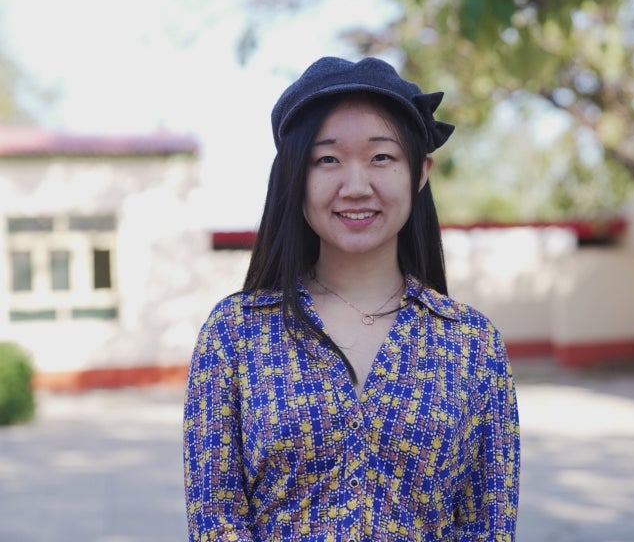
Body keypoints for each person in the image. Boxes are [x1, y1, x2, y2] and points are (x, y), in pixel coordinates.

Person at [183, 56, 520, 541]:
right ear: (295, 176)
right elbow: (216, 520)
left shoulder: (472, 344)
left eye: (381, 157)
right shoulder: (236, 334)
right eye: (328, 160)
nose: (356, 186)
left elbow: (488, 527)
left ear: (420, 171)